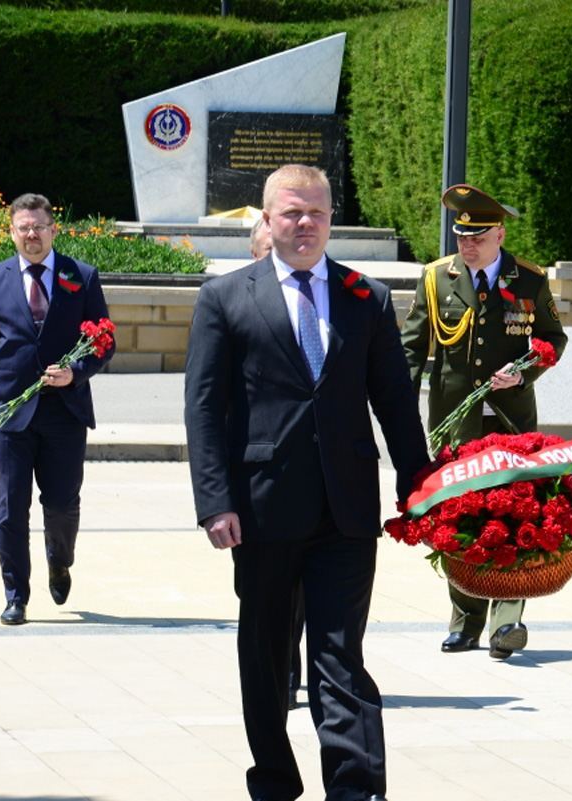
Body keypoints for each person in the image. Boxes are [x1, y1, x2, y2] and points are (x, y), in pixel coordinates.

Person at [184, 164, 429, 801]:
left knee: (340, 654)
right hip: (262, 511)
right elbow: (204, 408)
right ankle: (273, 777)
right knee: (265, 658)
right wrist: (215, 501)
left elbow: (395, 401)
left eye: (317, 213)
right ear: (266, 220)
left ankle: (356, 788)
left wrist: (419, 483)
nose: (305, 224)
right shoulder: (226, 298)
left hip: (346, 512)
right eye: (292, 213)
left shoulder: (364, 297)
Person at [401, 183, 567, 660]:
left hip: (512, 422)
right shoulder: (436, 278)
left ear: (499, 233)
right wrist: (401, 410)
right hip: (458, 421)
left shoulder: (529, 280)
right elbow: (412, 349)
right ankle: (465, 619)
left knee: (515, 513)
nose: (466, 245)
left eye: (476, 237)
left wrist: (522, 374)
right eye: (460, 236)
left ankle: (506, 621)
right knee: (461, 515)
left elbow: (554, 339)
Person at [0, 193, 114, 626]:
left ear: (53, 229)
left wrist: (76, 372)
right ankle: (16, 593)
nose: (32, 235)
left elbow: (103, 341)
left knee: (60, 505)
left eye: (39, 226)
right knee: (9, 508)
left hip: (64, 413)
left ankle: (60, 559)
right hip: (9, 414)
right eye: (24, 228)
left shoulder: (82, 276)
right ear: (12, 232)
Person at [250, 213, 306, 711]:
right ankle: (279, 666)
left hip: (320, 487)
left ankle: (293, 669)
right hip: (259, 486)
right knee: (266, 597)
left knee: (306, 595)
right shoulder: (234, 302)